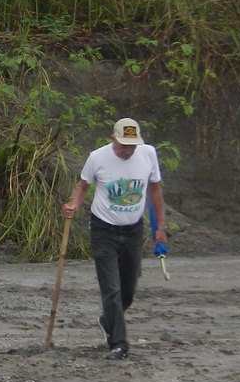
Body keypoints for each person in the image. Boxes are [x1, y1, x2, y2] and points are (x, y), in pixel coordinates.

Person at [61, 116, 168, 361]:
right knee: (111, 289)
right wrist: (74, 204)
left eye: (132, 146)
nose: (128, 151)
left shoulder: (148, 154)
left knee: (128, 288)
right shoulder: (97, 157)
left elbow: (155, 189)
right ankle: (118, 344)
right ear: (113, 139)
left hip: (133, 230)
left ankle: (107, 320)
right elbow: (82, 185)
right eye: (123, 145)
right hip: (103, 230)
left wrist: (160, 227)